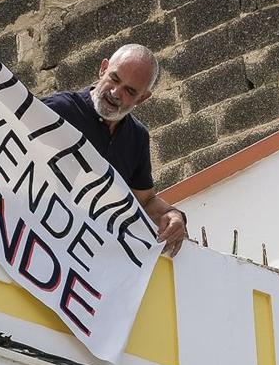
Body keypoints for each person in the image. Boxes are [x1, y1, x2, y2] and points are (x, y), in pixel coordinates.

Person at [41, 43, 189, 257]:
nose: (115, 92)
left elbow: (144, 201)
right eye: (115, 79)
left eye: (130, 91)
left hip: (84, 257)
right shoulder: (59, 110)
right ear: (103, 68)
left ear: (143, 98)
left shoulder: (137, 137)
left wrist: (173, 215)